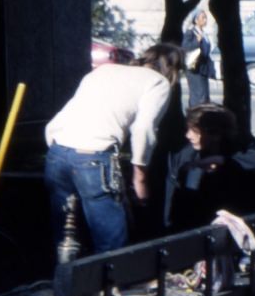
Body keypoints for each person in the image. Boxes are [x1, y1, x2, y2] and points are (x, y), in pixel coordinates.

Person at [44, 44, 183, 259]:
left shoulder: (104, 70)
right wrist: (140, 175)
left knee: (67, 236)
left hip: (57, 151)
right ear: (174, 69)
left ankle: (68, 286)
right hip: (94, 157)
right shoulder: (158, 82)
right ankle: (107, 290)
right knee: (110, 241)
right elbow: (143, 129)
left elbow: (64, 115)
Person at [164, 104, 255, 232]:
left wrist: (224, 162)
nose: (188, 135)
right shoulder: (186, 156)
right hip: (191, 227)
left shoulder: (239, 152)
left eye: (193, 130)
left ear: (215, 133)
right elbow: (173, 199)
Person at [181, 10, 217, 109]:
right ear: (196, 20)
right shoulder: (191, 32)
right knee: (197, 94)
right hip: (194, 68)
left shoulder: (204, 33)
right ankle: (194, 114)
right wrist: (197, 41)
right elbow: (185, 47)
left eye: (205, 17)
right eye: (202, 18)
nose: (205, 20)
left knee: (205, 94)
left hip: (203, 68)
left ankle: (202, 115)